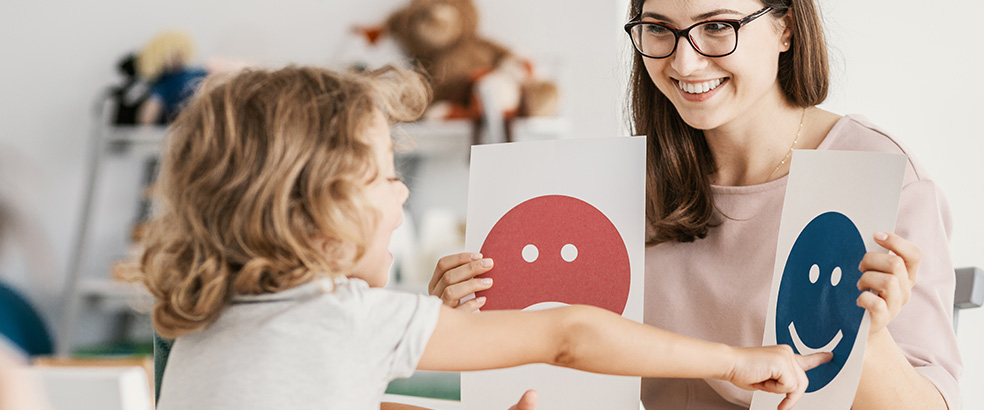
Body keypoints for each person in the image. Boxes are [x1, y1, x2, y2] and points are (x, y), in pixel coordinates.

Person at [131, 65, 830, 410]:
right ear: (312, 211)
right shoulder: (348, 319)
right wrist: (732, 360)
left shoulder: (200, 322)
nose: (403, 192)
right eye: (384, 176)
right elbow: (569, 333)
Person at [429, 0, 963, 409]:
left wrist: (866, 336)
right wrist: (466, 325)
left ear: (786, 28)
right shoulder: (616, 186)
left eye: (717, 26)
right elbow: (566, 361)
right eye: (659, 28)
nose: (684, 61)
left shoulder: (875, 174)